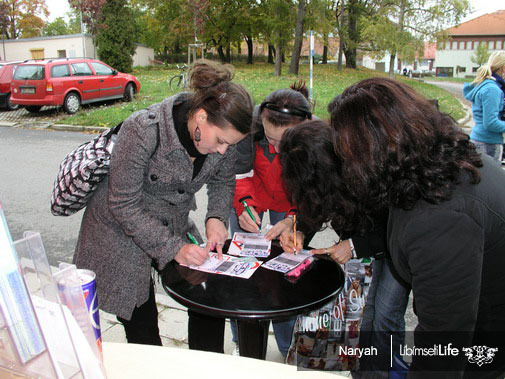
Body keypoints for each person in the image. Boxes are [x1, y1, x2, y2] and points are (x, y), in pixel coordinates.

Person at [281, 78, 505, 376]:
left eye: (347, 151)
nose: (345, 161)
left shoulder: (438, 219)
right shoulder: (435, 167)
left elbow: (443, 343)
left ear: (371, 151)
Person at [73, 59, 254, 347]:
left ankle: (205, 363)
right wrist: (174, 248)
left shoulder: (225, 137)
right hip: (120, 231)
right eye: (220, 141)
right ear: (202, 117)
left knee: (207, 298)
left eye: (229, 145)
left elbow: (223, 179)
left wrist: (217, 217)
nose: (223, 150)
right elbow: (123, 205)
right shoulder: (143, 130)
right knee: (141, 322)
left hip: (173, 220)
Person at [279, 120, 410, 377]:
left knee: (383, 318)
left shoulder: (370, 169)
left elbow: (399, 225)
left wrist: (353, 246)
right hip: (361, 250)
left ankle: (383, 372)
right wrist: (301, 232)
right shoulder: (325, 175)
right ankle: (359, 369)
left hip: (394, 244)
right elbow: (318, 203)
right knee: (361, 317)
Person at [228, 81, 314, 357]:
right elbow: (238, 174)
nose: (276, 148)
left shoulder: (315, 138)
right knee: (241, 267)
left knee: (285, 267)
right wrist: (244, 206)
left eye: (284, 141)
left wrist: (292, 218)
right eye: (270, 138)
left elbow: (311, 191)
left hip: (290, 200)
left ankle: (287, 344)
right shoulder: (247, 127)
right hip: (252, 192)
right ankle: (242, 336)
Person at [464, 51, 505, 164]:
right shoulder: (492, 89)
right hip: (488, 144)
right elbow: (490, 123)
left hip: (482, 140)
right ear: (503, 68)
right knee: (493, 180)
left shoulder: (487, 85)